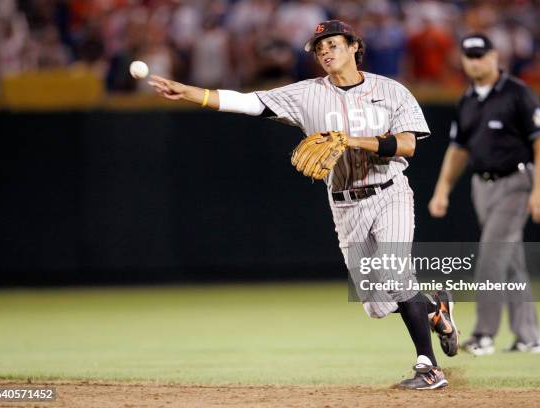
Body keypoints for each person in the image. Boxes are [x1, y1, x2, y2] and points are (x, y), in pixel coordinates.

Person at [149, 20, 458, 390]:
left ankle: (429, 368)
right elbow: (250, 103)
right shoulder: (306, 94)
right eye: (318, 48)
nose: (325, 51)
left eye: (332, 44)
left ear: (353, 46)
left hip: (389, 191)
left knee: (395, 273)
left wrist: (354, 141)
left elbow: (407, 145)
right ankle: (435, 310)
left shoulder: (391, 90)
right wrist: (191, 93)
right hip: (345, 205)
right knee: (378, 305)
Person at [428, 34, 540, 355]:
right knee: (510, 261)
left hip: (517, 182)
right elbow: (458, 150)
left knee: (491, 255)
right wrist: (442, 188)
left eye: (481, 55)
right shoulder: (467, 100)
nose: (475, 61)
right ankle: (530, 337)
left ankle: (484, 334)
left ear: (495, 56)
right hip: (481, 186)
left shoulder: (518, 94)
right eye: (469, 56)